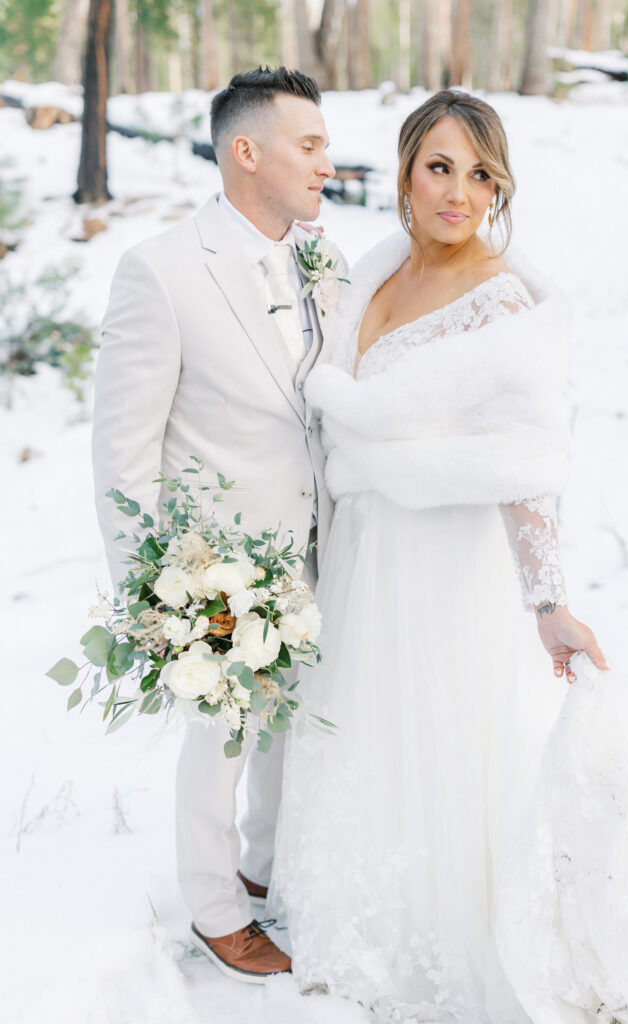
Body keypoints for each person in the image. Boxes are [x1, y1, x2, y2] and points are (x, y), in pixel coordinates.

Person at [270, 90, 628, 1022]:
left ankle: (460, 934)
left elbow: (525, 464)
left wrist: (548, 600)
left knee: (450, 741)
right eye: (440, 167)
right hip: (368, 555)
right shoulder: (374, 272)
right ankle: (367, 924)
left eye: (480, 174)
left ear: (499, 187)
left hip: (449, 563)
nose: (459, 192)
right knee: (370, 730)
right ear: (405, 171)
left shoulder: (504, 300)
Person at [92, 66, 346, 984]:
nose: (328, 162)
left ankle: (265, 870)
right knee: (223, 740)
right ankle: (213, 907)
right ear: (248, 153)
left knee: (292, 729)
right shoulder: (159, 270)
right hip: (214, 565)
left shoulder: (324, 260)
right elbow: (122, 450)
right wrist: (155, 588)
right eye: (308, 145)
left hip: (316, 546)